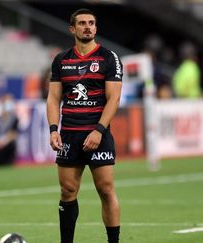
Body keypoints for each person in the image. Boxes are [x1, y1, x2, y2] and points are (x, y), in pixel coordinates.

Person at [46, 8, 122, 243]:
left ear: (96, 28)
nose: (88, 26)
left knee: (106, 189)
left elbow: (114, 99)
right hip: (69, 135)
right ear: (73, 29)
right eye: (82, 23)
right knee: (67, 191)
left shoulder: (109, 58)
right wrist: (53, 129)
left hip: (97, 134)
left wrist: (99, 130)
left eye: (91, 23)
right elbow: (53, 98)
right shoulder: (61, 60)